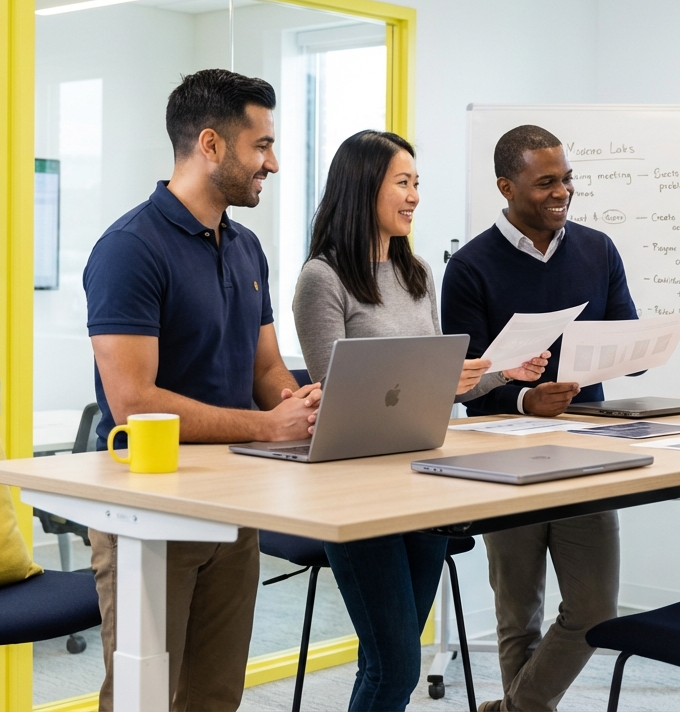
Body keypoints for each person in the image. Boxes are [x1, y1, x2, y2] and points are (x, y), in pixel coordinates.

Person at [83, 69, 321, 712]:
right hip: (149, 508)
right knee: (144, 695)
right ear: (211, 145)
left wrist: (296, 402)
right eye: (261, 145)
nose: (272, 162)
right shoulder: (130, 249)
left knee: (215, 696)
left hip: (232, 502)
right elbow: (135, 401)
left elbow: (265, 368)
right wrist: (267, 428)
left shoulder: (246, 248)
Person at [292, 129, 547, 711]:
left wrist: (504, 371)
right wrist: (435, 382)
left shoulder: (418, 273)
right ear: (363, 188)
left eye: (416, 184)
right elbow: (339, 395)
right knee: (396, 664)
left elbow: (442, 387)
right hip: (356, 489)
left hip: (424, 481)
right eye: (402, 183)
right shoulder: (322, 279)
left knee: (393, 659)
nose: (413, 197)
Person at [441, 125, 638, 712]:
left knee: (594, 608)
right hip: (502, 456)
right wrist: (527, 399)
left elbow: (624, 334)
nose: (563, 192)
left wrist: (636, 352)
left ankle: (513, 710)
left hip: (587, 449)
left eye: (568, 178)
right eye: (546, 182)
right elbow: (466, 387)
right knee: (518, 612)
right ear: (506, 186)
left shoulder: (598, 249)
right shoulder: (470, 267)